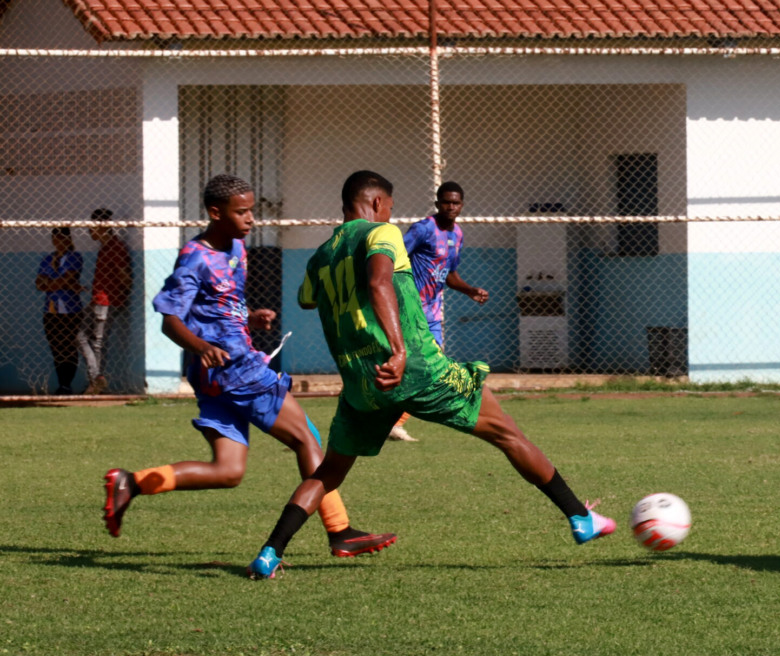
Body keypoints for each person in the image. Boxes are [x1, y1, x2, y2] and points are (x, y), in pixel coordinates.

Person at [246, 170, 614, 580]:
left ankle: (269, 552)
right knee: (506, 432)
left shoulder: (320, 256)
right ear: (375, 204)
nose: (389, 215)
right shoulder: (380, 234)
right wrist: (400, 351)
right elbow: (379, 280)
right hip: (414, 368)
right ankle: (580, 517)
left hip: (363, 383)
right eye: (388, 207)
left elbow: (307, 298)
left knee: (328, 473)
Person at [102, 174, 395, 561]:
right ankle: (339, 530)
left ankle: (131, 482)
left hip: (219, 375)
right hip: (234, 369)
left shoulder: (237, 248)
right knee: (306, 438)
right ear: (214, 212)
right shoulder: (196, 256)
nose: (251, 218)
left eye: (252, 210)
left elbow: (221, 308)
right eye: (241, 211)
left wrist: (250, 318)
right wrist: (201, 346)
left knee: (228, 471)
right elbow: (169, 318)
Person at [390, 181, 490, 442]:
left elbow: (450, 274)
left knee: (431, 365)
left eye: (455, 202)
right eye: (446, 202)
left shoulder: (457, 234)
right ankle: (389, 419)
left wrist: (470, 290)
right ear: (437, 204)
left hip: (432, 313)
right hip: (411, 310)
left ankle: (394, 421)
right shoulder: (423, 229)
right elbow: (392, 260)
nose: (451, 206)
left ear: (462, 205)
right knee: (417, 365)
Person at [77, 208, 132, 395]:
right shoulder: (105, 247)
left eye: (93, 227)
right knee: (81, 335)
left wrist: (117, 297)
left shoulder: (115, 247)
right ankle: (97, 377)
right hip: (98, 300)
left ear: (101, 227)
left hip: (107, 302)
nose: (90, 231)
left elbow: (124, 277)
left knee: (99, 342)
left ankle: (95, 381)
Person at [35, 226, 83, 394]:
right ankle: (62, 383)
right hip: (51, 310)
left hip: (70, 310)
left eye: (61, 239)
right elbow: (39, 283)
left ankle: (66, 384)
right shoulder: (48, 259)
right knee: (56, 348)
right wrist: (62, 283)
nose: (58, 243)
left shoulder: (74, 257)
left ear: (68, 239)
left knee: (68, 347)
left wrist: (53, 282)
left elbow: (65, 279)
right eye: (55, 239)